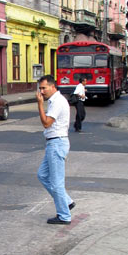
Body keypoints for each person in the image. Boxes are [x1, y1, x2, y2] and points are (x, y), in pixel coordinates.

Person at [36, 74, 74, 225]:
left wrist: (39, 104)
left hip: (57, 143)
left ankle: (64, 215)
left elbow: (46, 123)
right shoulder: (54, 101)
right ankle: (66, 201)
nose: (42, 92)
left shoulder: (57, 102)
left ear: (53, 87)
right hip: (53, 143)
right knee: (42, 175)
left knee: (57, 183)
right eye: (40, 89)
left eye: (44, 88)